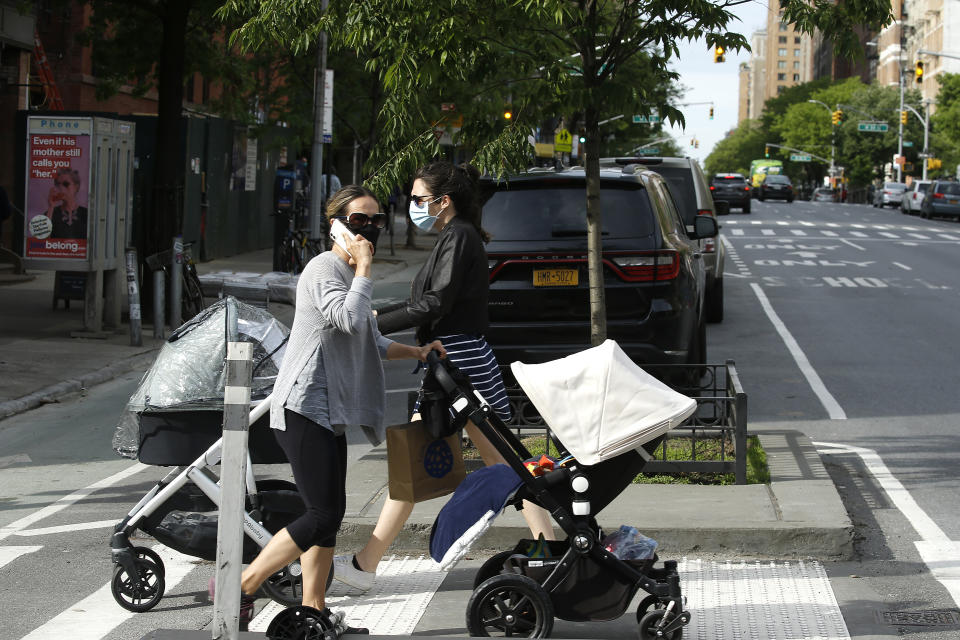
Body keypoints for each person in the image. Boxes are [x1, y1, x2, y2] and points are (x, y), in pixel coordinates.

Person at [331, 161, 555, 593]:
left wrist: (375, 320)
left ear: (442, 201)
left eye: (418, 199)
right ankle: (548, 551)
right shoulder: (456, 235)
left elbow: (435, 302)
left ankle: (365, 565)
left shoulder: (460, 237)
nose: (413, 206)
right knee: (498, 462)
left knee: (426, 462)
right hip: (457, 359)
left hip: (457, 362)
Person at [229, 184, 445, 629]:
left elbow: (367, 338)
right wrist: (364, 268)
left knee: (327, 516)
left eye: (375, 221)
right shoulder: (325, 268)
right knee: (323, 514)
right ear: (336, 225)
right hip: (305, 406)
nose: (367, 228)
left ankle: (314, 610)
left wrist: (416, 352)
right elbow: (346, 318)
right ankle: (243, 584)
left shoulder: (348, 275)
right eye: (357, 220)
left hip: (332, 409)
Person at [45, 168, 88, 239]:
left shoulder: (86, 214)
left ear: (76, 187)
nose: (61, 188)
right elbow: (43, 241)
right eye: (58, 184)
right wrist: (51, 206)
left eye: (66, 184)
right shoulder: (51, 213)